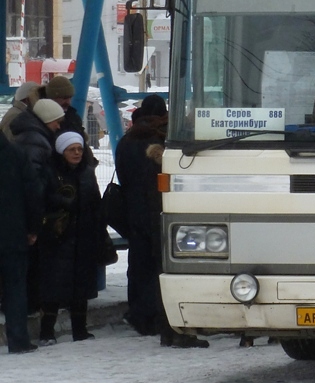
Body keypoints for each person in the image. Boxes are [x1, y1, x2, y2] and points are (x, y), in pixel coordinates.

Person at [116, 94, 208, 348]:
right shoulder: (162, 140)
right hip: (159, 210)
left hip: (133, 210)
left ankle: (140, 316)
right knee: (163, 267)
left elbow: (123, 174)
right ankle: (165, 321)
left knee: (138, 265)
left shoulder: (126, 140)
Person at [36, 132, 103, 345]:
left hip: (83, 235)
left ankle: (80, 330)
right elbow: (41, 198)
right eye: (71, 149)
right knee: (53, 286)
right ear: (61, 151)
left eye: (79, 149)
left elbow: (95, 199)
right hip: (58, 237)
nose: (76, 153)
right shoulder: (50, 171)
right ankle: (47, 332)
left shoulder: (86, 172)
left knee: (80, 285)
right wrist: (63, 203)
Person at [9, 97, 65, 315]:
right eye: (56, 121)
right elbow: (34, 184)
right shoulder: (36, 142)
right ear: (46, 120)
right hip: (30, 213)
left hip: (22, 212)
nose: (59, 126)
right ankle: (30, 305)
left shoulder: (29, 137)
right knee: (31, 264)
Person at [0, 133, 43, 353]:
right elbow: (33, 193)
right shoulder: (16, 154)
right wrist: (33, 228)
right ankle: (18, 340)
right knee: (15, 288)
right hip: (13, 234)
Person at [40, 75, 96, 165]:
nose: (68, 102)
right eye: (64, 98)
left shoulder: (73, 117)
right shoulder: (42, 117)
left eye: (70, 97)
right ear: (52, 97)